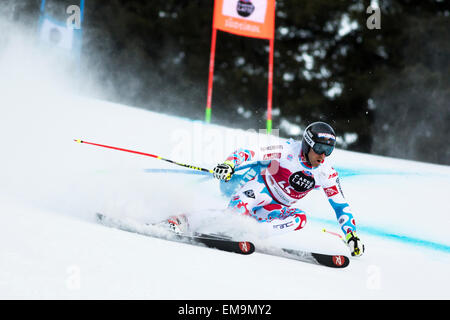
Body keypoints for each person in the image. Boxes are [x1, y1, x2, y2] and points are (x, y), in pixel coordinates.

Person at [168, 121, 364, 257]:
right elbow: (248, 153)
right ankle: (184, 220)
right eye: (320, 149)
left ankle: (252, 234)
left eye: (328, 151)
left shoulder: (326, 173)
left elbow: (341, 206)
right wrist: (229, 165)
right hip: (258, 191)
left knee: (300, 218)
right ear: (308, 144)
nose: (323, 156)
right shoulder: (287, 150)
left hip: (275, 208)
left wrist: (351, 234)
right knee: (235, 214)